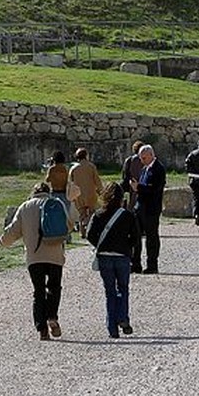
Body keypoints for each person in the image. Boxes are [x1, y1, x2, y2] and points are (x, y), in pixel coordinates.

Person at [0, 181, 72, 341]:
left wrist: (2, 241)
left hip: (34, 256)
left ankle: (42, 328)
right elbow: (69, 225)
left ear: (34, 192)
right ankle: (52, 316)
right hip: (55, 254)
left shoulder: (25, 207)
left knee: (38, 291)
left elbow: (14, 230)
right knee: (54, 287)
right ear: (48, 192)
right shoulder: (57, 203)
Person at [86, 182, 141, 338]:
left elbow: (90, 235)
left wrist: (101, 245)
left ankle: (112, 328)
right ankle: (123, 317)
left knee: (110, 291)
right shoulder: (128, 215)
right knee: (123, 288)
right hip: (122, 256)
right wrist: (126, 247)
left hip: (105, 256)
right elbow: (136, 238)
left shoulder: (98, 214)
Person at [132, 144, 165, 274]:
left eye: (144, 158)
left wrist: (138, 187)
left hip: (151, 208)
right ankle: (136, 264)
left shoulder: (158, 169)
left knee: (151, 237)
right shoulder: (145, 169)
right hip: (140, 207)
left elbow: (154, 189)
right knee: (135, 236)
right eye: (141, 158)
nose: (142, 160)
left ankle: (152, 264)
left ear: (151, 155)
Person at [68, 147, 104, 237]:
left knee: (82, 213)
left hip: (79, 194)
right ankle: (90, 230)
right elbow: (97, 180)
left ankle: (82, 232)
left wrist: (70, 194)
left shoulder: (74, 168)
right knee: (92, 213)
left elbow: (70, 181)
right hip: (90, 192)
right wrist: (101, 191)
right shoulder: (91, 166)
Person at [120, 140, 145, 209]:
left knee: (131, 203)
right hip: (143, 183)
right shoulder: (146, 160)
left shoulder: (129, 160)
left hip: (132, 183)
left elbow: (125, 174)